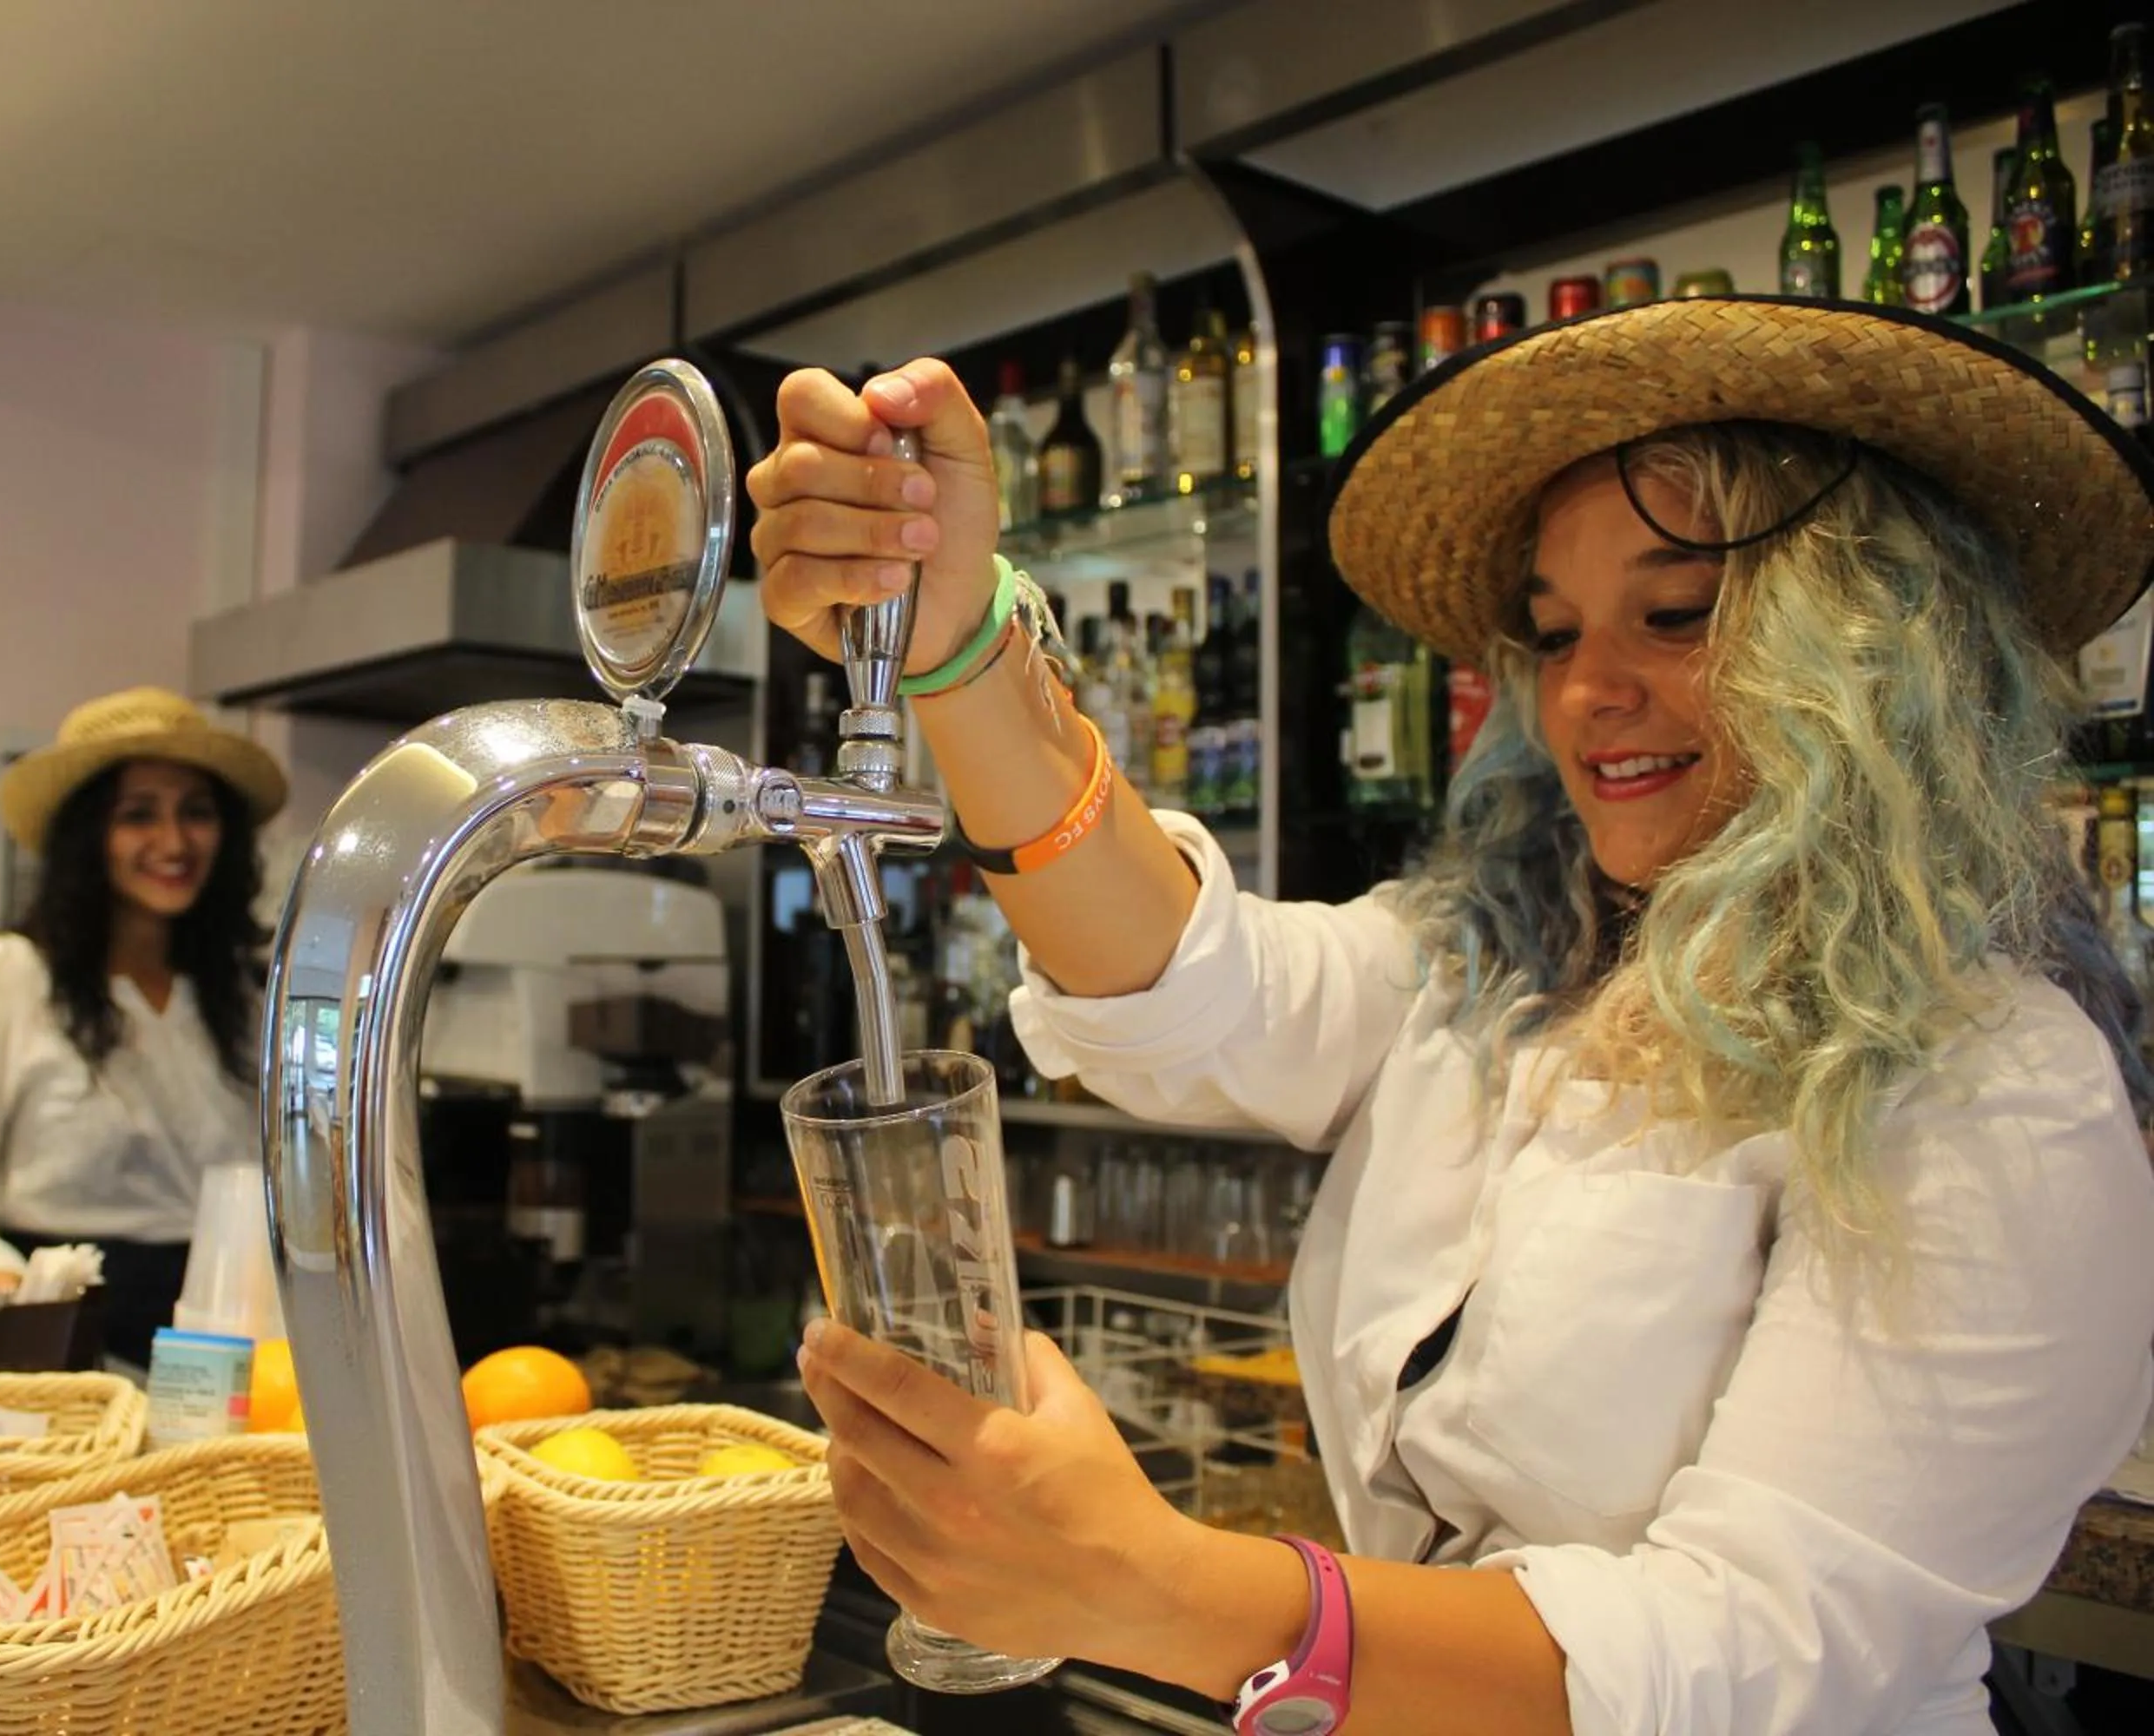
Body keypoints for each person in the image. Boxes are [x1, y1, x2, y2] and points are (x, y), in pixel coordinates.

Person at [748, 299, 2154, 1735]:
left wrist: (1159, 1588)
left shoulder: (1994, 1091)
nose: (1592, 691)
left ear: (1875, 649)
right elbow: (1183, 988)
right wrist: (955, 636)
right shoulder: (1498, 977)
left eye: (1676, 614)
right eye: (1553, 635)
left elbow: (1749, 1653)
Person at [0, 687, 286, 1366]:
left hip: (227, 1345)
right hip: (56, 1344)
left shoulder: (244, 997)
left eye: (196, 814)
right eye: (138, 815)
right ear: (88, 836)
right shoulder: (1, 982)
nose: (174, 842)